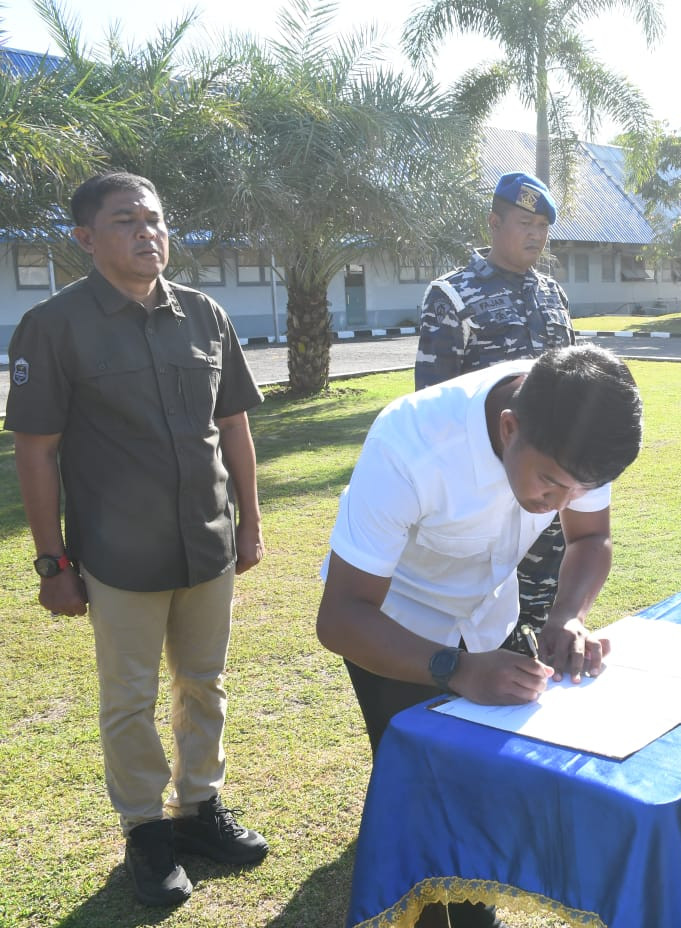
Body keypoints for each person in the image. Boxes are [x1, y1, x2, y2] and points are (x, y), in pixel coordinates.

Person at [4, 172, 268, 907]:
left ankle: (200, 809)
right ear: (85, 239)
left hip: (207, 543)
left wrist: (250, 520)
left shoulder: (205, 316)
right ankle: (146, 832)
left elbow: (235, 426)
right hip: (121, 556)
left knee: (205, 684)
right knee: (129, 698)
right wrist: (52, 562)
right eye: (126, 221)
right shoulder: (54, 327)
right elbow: (36, 450)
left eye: (155, 219)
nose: (148, 232)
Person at [316, 342, 642, 928]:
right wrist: (459, 669)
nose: (561, 503)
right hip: (392, 629)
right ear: (509, 426)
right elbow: (340, 616)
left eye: (575, 488)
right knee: (423, 799)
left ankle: (475, 912)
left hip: (491, 616)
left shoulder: (580, 430)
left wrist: (567, 614)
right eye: (551, 483)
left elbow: (590, 539)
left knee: (484, 792)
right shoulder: (411, 442)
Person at [414, 172, 575, 654]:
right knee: (483, 623)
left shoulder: (552, 294)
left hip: (549, 484)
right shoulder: (452, 296)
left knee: (543, 610)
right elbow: (435, 405)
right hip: (485, 485)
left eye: (543, 226)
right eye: (525, 222)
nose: (536, 235)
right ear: (493, 222)